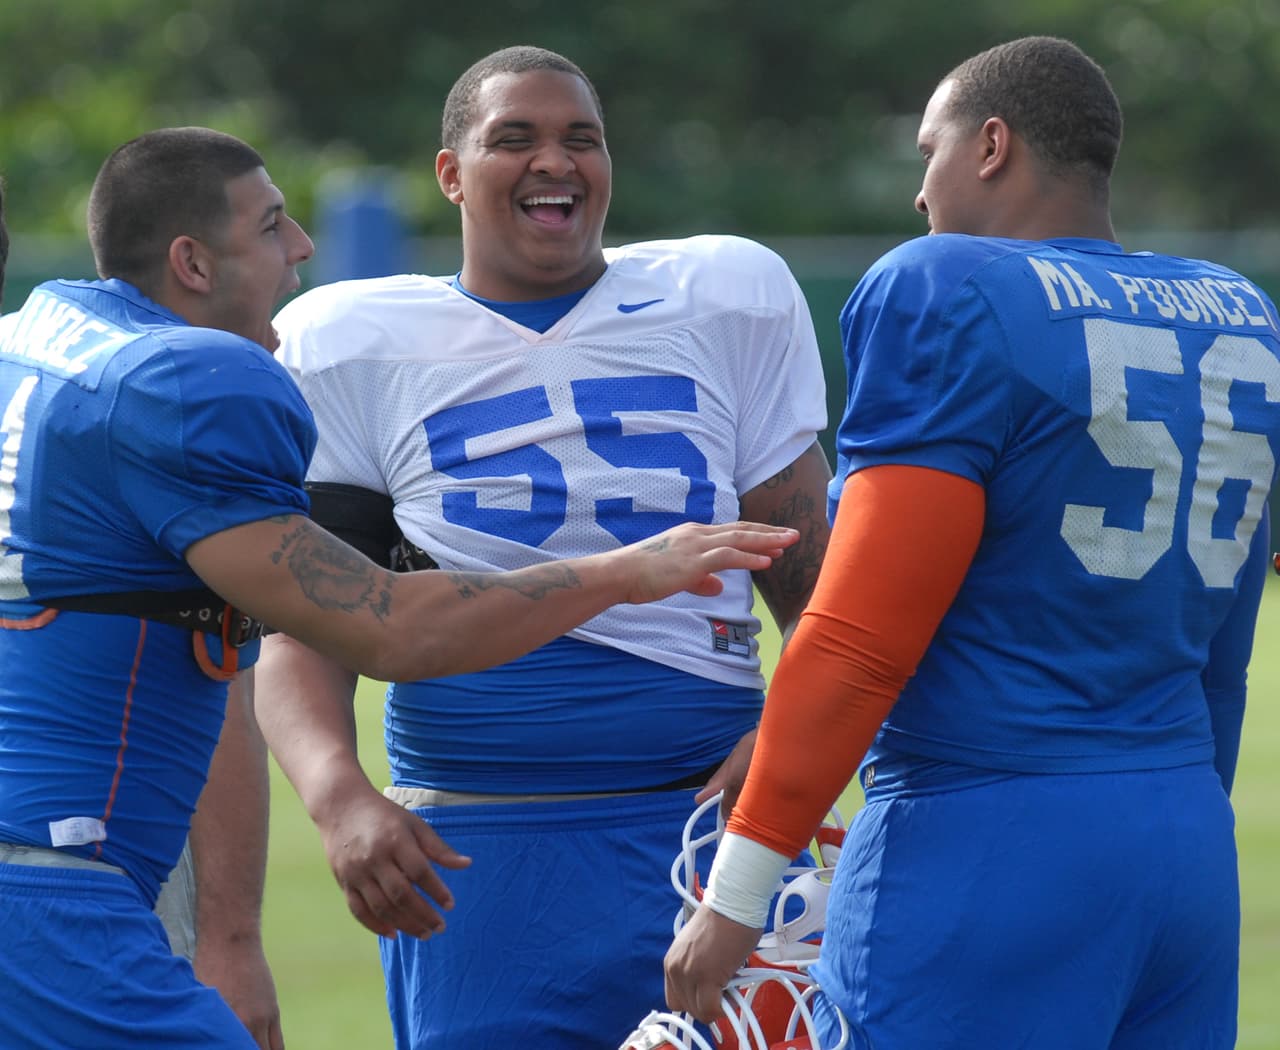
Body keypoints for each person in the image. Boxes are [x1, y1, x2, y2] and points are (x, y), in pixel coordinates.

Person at [0, 126, 798, 1050]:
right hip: (50, 886)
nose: (300, 247)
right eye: (270, 227)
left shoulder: (38, 344)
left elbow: (209, 652)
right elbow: (390, 630)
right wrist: (629, 569)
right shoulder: (182, 382)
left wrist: (229, 936)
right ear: (191, 261)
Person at [664, 35, 1280, 1050]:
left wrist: (735, 892)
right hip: (1181, 850)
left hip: (987, 839)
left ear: (989, 144)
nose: (919, 193)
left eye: (927, 150)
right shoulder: (1236, 312)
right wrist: (1162, 829)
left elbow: (859, 637)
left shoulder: (944, 287)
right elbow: (1225, 649)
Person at [256, 44, 832, 1050]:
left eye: (581, 139)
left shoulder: (722, 296)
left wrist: (792, 743)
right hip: (481, 846)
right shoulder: (351, 341)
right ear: (450, 174)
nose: (553, 162)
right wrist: (338, 798)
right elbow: (306, 625)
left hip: (705, 831)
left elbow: (813, 576)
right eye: (512, 139)